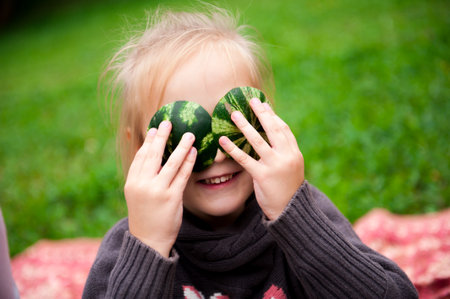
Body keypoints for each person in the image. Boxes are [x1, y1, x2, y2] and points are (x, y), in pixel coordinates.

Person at [83, 6, 418, 298]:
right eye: (186, 134)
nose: (217, 155)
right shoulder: (129, 246)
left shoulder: (305, 213)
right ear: (142, 146)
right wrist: (149, 249)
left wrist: (297, 219)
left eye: (236, 120)